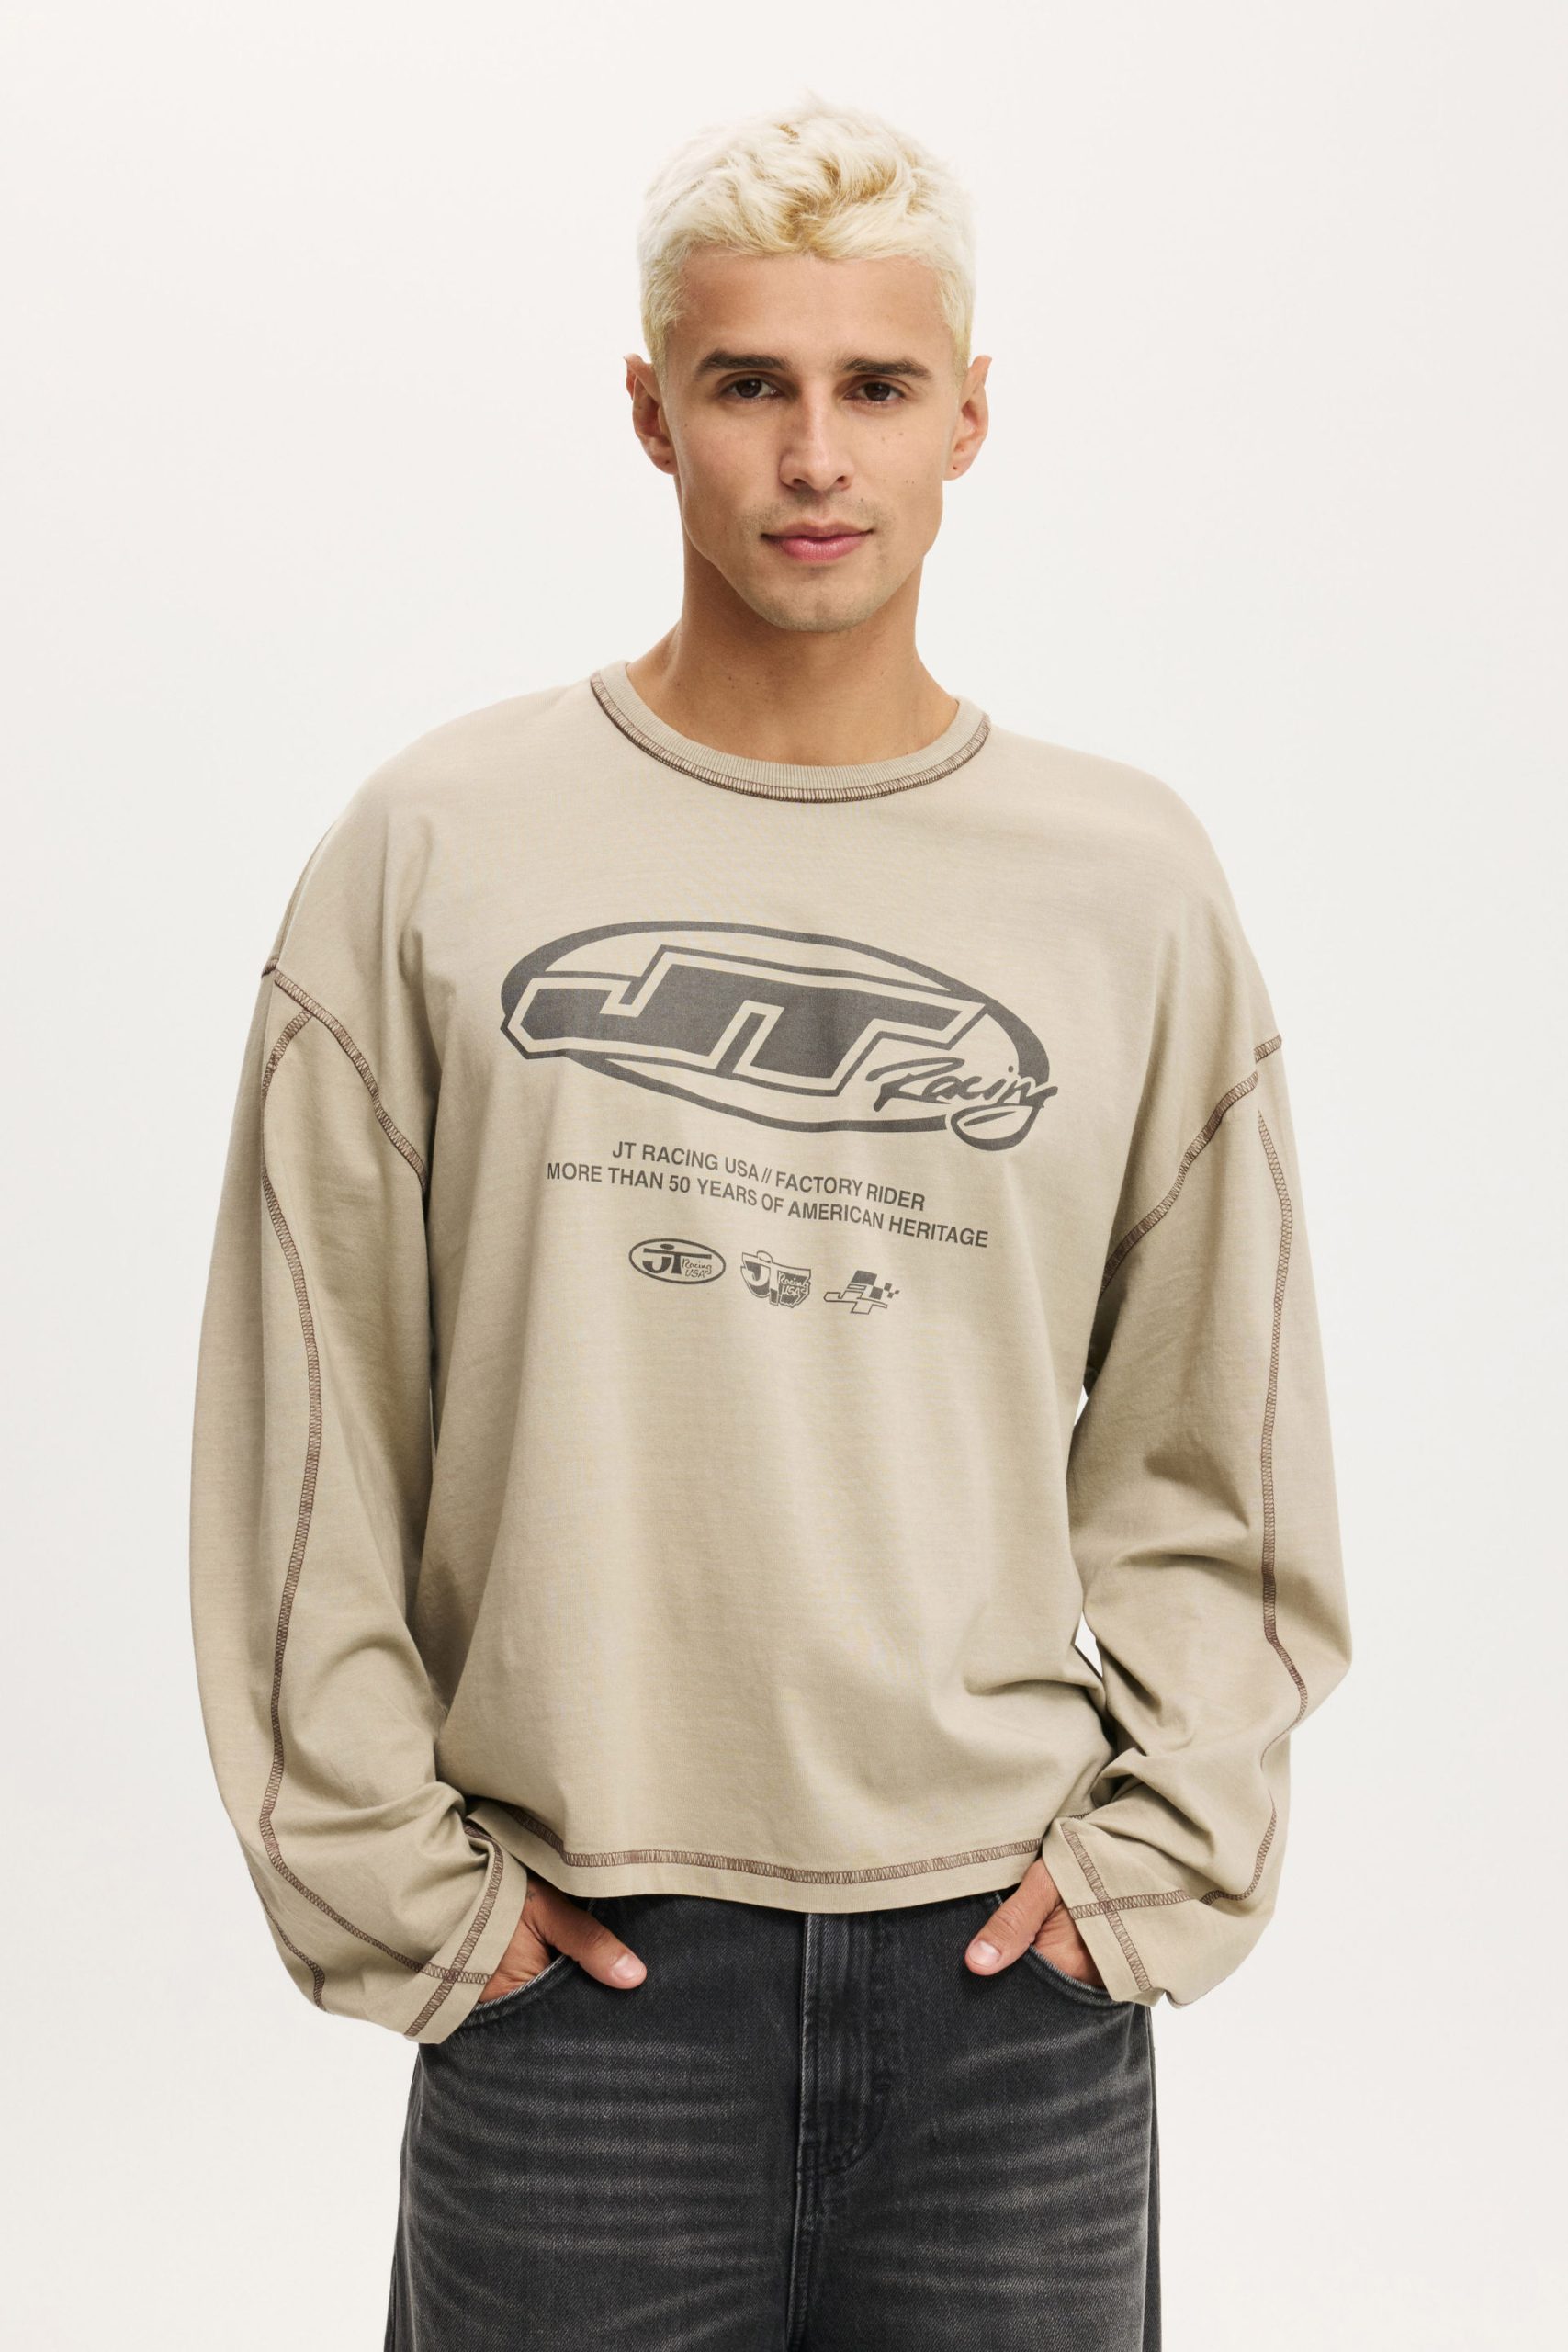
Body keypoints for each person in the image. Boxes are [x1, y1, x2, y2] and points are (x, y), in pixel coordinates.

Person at [188, 90, 1352, 2352]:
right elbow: (305, 1426)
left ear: (966, 418)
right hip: (574, 1975)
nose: (813, 456)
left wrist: (1153, 1852)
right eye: (747, 384)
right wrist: (403, 1891)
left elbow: (1217, 1437)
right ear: (651, 410)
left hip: (1006, 1989)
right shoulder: (437, 851)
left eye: (874, 386)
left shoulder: (1122, 886)